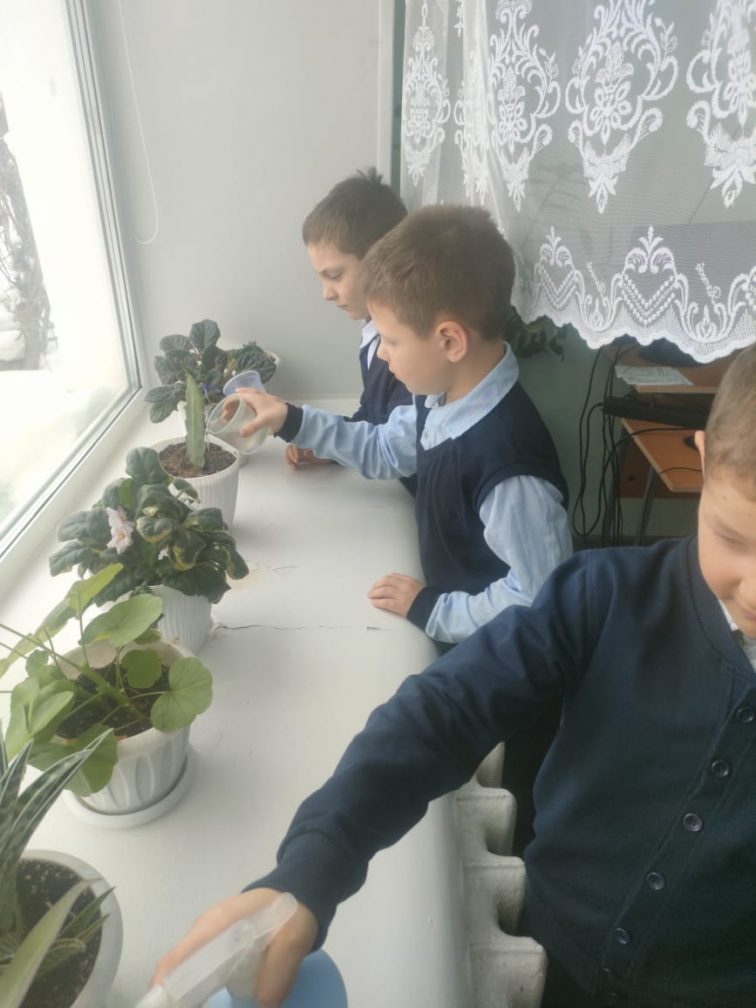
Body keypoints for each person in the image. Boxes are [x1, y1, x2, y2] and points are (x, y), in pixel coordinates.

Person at [151, 342, 756, 1008]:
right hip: (550, 944)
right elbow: (442, 713)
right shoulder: (604, 594)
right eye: (732, 537)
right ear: (702, 460)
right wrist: (312, 867)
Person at [233, 204, 571, 647]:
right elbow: (387, 449)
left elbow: (538, 599)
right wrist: (292, 420)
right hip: (453, 623)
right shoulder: (440, 397)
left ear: (449, 340)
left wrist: (432, 609)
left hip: (492, 660)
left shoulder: (509, 468)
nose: (382, 353)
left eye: (391, 340)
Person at [288, 167, 412, 472]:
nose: (326, 294)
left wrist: (292, 422)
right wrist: (330, 448)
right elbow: (373, 414)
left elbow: (396, 449)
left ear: (380, 262)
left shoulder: (412, 349)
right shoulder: (371, 330)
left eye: (334, 275)